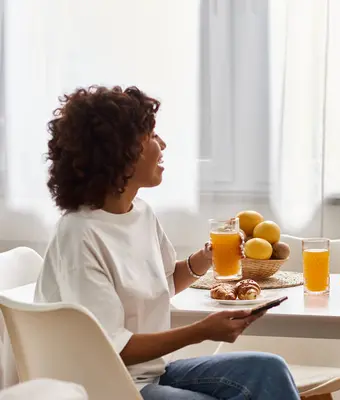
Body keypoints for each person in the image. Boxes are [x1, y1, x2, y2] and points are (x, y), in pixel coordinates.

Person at [34, 86, 301, 400]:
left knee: (268, 370)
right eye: (151, 135)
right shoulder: (79, 236)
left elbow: (163, 282)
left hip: (150, 375)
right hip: (106, 389)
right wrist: (202, 330)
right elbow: (110, 347)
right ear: (119, 152)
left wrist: (203, 260)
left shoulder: (141, 214)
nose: (162, 144)